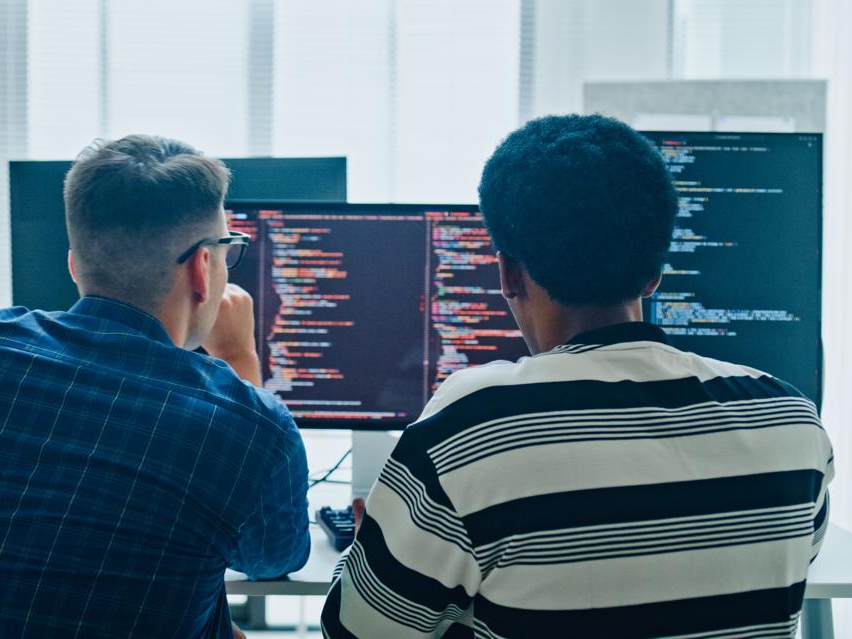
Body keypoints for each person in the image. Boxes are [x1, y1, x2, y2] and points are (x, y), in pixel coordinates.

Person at [321, 115, 833, 638]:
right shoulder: (792, 422)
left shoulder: (469, 428)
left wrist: (374, 545)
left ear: (507, 273)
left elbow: (357, 631)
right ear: (655, 272)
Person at [0, 135, 310, 638]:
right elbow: (272, 557)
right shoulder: (249, 425)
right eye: (227, 250)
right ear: (204, 268)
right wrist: (241, 358)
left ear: (74, 265)